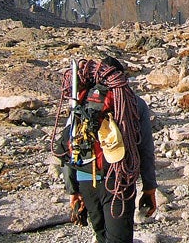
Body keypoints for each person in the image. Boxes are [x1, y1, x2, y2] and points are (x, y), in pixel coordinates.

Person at [53, 56, 157, 243]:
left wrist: (73, 190)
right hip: (118, 182)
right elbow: (145, 150)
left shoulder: (81, 101)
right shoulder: (134, 103)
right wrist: (149, 188)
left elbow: (70, 146)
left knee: (100, 236)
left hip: (86, 180)